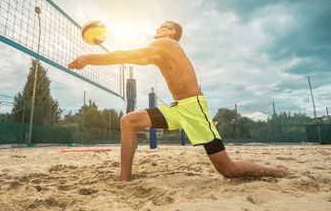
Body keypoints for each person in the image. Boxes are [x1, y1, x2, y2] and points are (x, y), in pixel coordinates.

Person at [68, 21, 293, 181]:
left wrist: (89, 59)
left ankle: (279, 171)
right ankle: (124, 179)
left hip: (194, 109)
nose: (157, 28)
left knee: (229, 171)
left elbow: (127, 55)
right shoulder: (159, 54)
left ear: (171, 32)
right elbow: (133, 57)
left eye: (162, 26)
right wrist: (94, 60)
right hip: (177, 109)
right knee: (128, 121)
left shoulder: (168, 44)